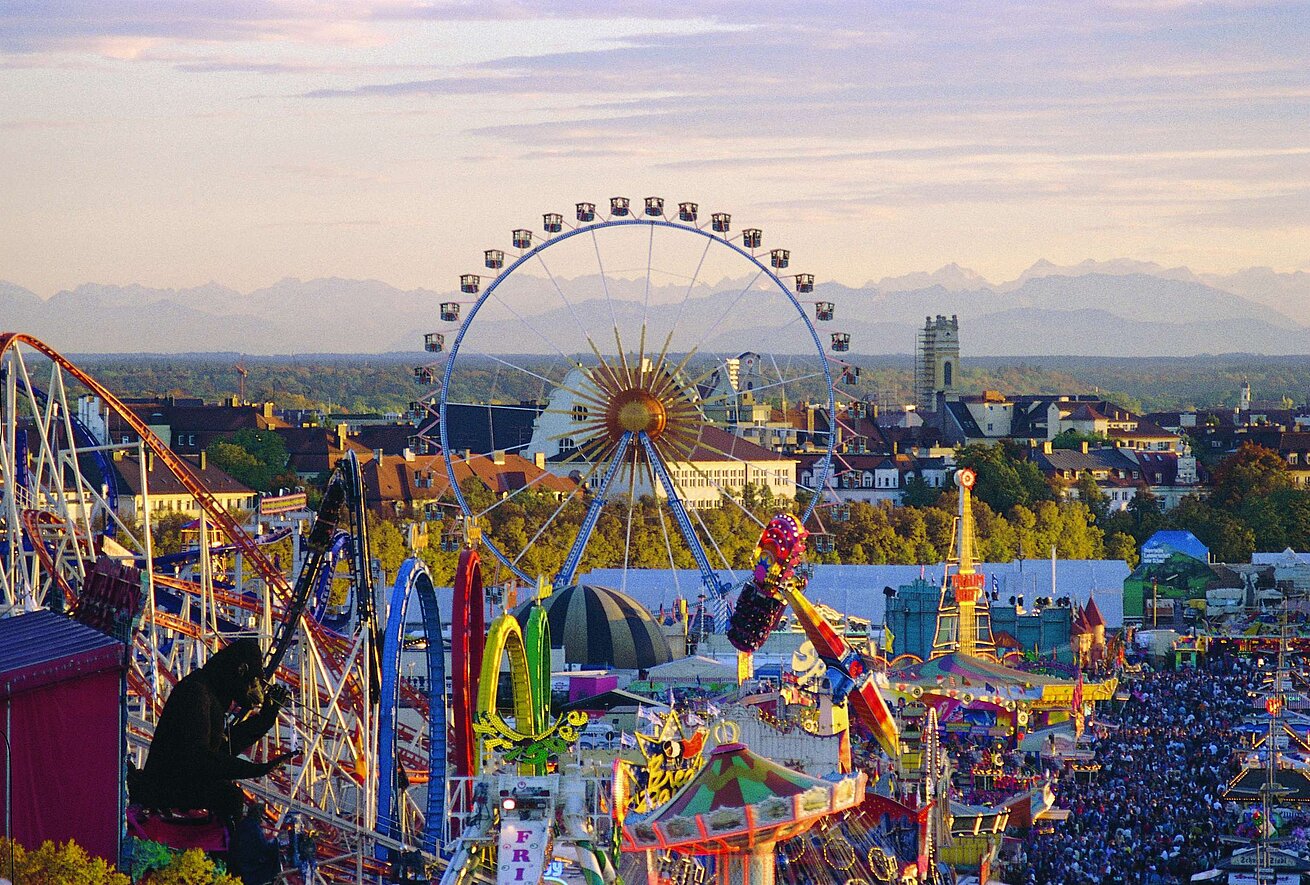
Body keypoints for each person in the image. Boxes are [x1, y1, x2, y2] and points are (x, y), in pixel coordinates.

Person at [130, 638, 293, 825]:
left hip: (180, 780)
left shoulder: (211, 693)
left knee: (228, 794)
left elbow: (220, 750)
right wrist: (256, 770)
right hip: (164, 785)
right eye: (254, 681)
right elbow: (200, 759)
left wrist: (265, 718)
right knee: (229, 797)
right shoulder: (197, 693)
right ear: (241, 671)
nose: (257, 692)